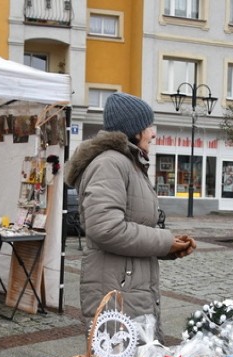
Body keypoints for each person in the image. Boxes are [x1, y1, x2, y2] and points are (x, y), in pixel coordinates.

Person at [64, 92, 196, 342]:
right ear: (135, 130)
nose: (153, 133)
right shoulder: (110, 164)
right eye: (149, 126)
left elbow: (132, 228)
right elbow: (106, 229)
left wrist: (167, 248)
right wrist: (164, 240)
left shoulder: (128, 163)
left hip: (129, 288)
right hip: (116, 291)